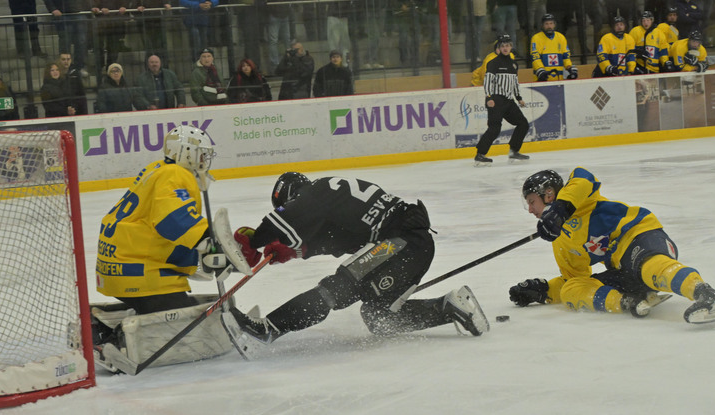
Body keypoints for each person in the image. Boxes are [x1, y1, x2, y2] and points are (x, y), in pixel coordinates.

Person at [228, 172, 490, 346]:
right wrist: (299, 250)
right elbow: (344, 241)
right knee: (379, 318)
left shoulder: (315, 191)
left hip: (400, 244)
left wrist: (254, 240)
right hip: (413, 247)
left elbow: (285, 219)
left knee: (336, 289)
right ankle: (448, 307)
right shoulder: (335, 195)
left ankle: (269, 328)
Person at [93, 125, 249, 372]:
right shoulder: (175, 174)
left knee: (174, 306)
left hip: (122, 266)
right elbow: (172, 220)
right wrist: (207, 241)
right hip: (139, 272)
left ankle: (104, 323)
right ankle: (114, 342)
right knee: (182, 322)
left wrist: (196, 256)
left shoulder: (158, 169)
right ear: (186, 152)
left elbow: (158, 228)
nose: (204, 159)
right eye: (201, 153)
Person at [509, 168, 715, 324]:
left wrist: (562, 209)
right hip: (623, 268)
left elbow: (583, 177)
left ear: (549, 194)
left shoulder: (577, 196)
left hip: (640, 235)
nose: (530, 209)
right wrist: (544, 291)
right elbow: (576, 279)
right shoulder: (560, 239)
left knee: (649, 265)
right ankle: (629, 302)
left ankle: (707, 296)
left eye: (532, 201)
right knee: (571, 289)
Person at [474, 34, 529, 166]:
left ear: (511, 47)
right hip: (495, 100)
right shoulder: (493, 63)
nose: (505, 48)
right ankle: (480, 154)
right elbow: (488, 81)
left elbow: (514, 82)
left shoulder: (514, 64)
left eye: (508, 45)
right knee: (495, 128)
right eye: (503, 46)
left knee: (523, 124)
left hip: (508, 101)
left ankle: (514, 151)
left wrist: (519, 98)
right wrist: (489, 97)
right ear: (498, 48)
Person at [44, 0, 91, 78]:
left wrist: (91, 6)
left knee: (81, 42)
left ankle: (79, 67)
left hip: (79, 12)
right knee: (65, 42)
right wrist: (53, 9)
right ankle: (65, 69)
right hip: (63, 13)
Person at [530, 13, 576, 82]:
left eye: (551, 23)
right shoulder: (536, 38)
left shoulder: (561, 37)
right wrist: (540, 70)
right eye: (546, 24)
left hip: (559, 79)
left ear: (554, 25)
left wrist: (569, 68)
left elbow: (566, 56)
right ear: (542, 25)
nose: (549, 26)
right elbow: (535, 57)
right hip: (542, 79)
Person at [92, 0, 129, 70]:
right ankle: (100, 66)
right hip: (101, 20)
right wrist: (97, 8)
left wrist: (124, 6)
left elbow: (124, 4)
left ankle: (111, 67)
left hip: (115, 20)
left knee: (113, 46)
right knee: (99, 45)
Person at [134, 1, 172, 65]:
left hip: (158, 21)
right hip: (145, 22)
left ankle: (162, 65)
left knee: (160, 46)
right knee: (149, 47)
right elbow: (133, 5)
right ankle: (150, 67)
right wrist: (137, 7)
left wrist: (166, 4)